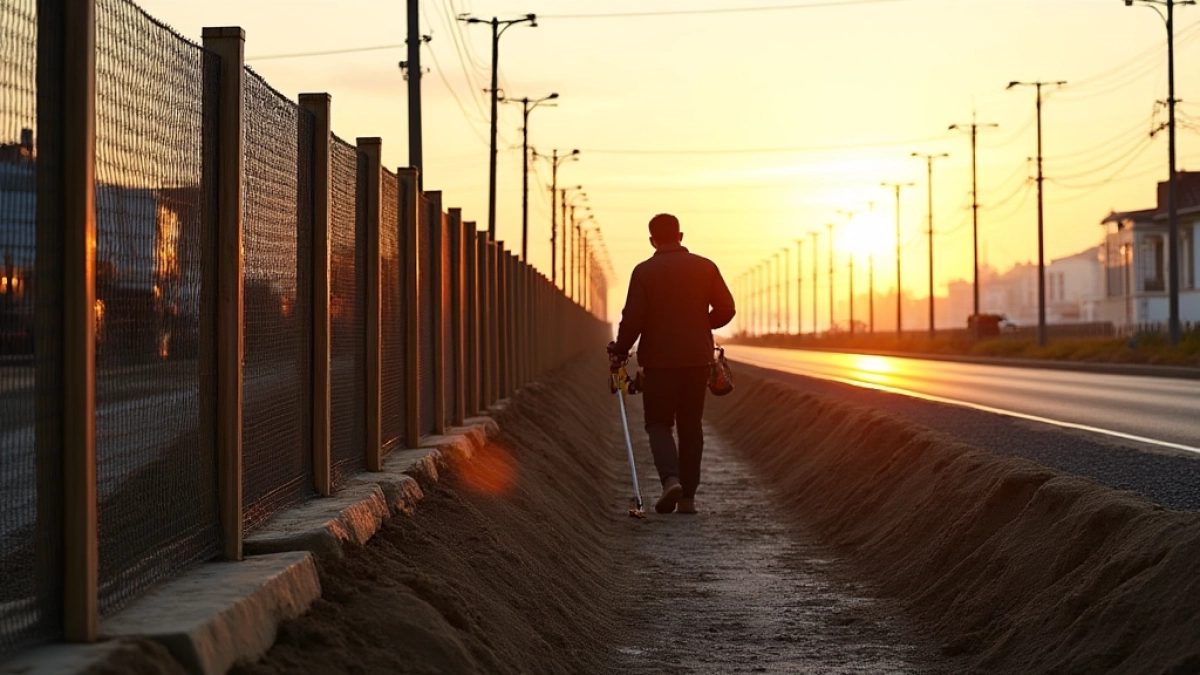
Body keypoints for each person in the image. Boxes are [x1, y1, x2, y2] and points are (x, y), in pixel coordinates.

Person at [607, 213, 735, 514]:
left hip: (659, 363)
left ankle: (671, 480)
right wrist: (702, 325)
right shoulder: (706, 267)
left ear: (652, 240)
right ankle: (688, 497)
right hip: (696, 361)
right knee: (691, 426)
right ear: (680, 235)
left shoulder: (644, 272)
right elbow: (727, 309)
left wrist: (621, 350)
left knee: (658, 423)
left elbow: (633, 318)